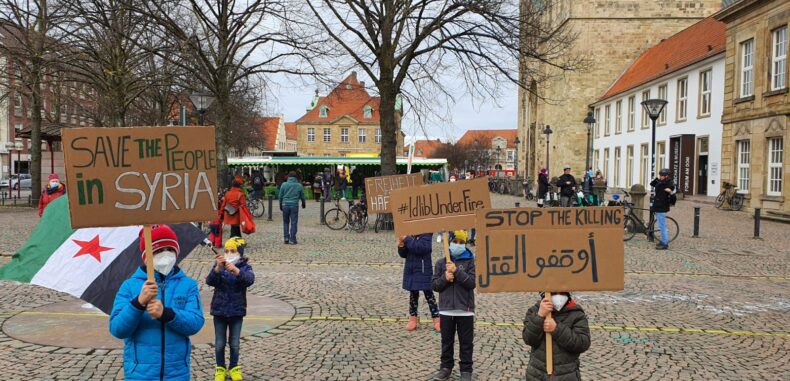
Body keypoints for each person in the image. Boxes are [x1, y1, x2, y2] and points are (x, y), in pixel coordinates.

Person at [109, 225, 205, 381]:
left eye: (170, 249)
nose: (165, 255)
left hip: (177, 373)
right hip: (140, 374)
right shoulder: (129, 286)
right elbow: (117, 329)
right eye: (158, 251)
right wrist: (138, 303)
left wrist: (167, 314)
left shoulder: (188, 285)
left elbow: (195, 323)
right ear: (147, 257)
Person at [207, 237, 255, 381]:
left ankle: (234, 367)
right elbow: (210, 281)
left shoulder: (245, 267)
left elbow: (249, 280)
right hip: (219, 311)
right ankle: (220, 368)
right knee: (220, 344)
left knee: (234, 343)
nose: (229, 253)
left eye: (232, 251)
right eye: (226, 251)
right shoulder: (219, 265)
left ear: (239, 253)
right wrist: (217, 268)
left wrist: (236, 271)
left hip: (236, 311)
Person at [430, 230, 476, 381]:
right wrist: (445, 277)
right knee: (446, 341)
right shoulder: (440, 263)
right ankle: (445, 367)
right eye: (455, 241)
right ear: (449, 242)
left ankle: (466, 370)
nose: (458, 245)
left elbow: (471, 283)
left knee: (466, 342)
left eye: (461, 242)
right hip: (446, 309)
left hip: (465, 310)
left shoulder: (470, 262)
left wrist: (456, 272)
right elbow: (435, 285)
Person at [522, 292, 591, 381]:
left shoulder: (576, 314)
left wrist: (556, 329)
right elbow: (529, 339)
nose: (558, 296)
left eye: (561, 292)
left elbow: (582, 343)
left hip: (567, 375)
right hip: (537, 375)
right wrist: (539, 316)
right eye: (554, 293)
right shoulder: (534, 311)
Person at [398, 234, 440, 332]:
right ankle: (413, 319)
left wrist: (407, 239)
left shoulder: (427, 234)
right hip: (411, 269)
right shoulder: (409, 235)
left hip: (423, 269)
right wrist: (401, 246)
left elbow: (420, 248)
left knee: (429, 294)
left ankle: (437, 319)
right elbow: (404, 254)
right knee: (413, 294)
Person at [650, 168, 676, 250]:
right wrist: (657, 178)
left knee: (662, 226)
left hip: (662, 206)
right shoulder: (660, 181)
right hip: (657, 205)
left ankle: (665, 243)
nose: (660, 176)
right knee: (660, 224)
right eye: (660, 175)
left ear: (666, 176)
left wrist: (670, 191)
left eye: (661, 175)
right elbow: (652, 183)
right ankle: (663, 241)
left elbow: (674, 192)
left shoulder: (669, 183)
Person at [278, 171, 306, 244]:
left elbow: (280, 196)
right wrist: (303, 203)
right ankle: (292, 239)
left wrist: (280, 205)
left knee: (286, 222)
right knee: (294, 222)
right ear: (296, 177)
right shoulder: (299, 185)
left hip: (285, 205)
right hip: (294, 205)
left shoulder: (284, 184)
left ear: (289, 177)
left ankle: (286, 238)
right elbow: (302, 196)